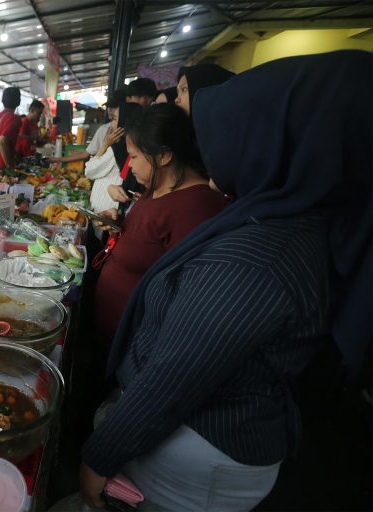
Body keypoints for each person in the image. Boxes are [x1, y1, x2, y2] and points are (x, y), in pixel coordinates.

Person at [80, 51, 371, 511]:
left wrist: (99, 458)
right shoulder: (285, 219)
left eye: (229, 131)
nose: (213, 147)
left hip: (201, 452)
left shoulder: (261, 256)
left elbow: (176, 373)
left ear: (274, 141)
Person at [93, 103, 226, 352]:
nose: (130, 166)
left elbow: (184, 296)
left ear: (163, 156)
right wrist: (119, 224)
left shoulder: (197, 208)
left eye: (133, 157)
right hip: (111, 329)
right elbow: (148, 239)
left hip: (137, 344)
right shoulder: (156, 188)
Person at [84, 102, 143, 214]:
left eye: (115, 119)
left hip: (107, 211)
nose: (111, 124)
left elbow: (89, 171)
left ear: (124, 122)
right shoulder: (137, 146)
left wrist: (105, 144)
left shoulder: (117, 148)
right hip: (116, 208)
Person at [52, 93, 122, 167]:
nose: (110, 110)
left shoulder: (129, 132)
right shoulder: (104, 129)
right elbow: (86, 154)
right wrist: (58, 159)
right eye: (109, 106)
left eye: (114, 106)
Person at [0, 86, 23, 168]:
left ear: (3, 101)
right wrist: (10, 166)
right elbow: (2, 141)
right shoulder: (15, 118)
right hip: (4, 165)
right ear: (18, 101)